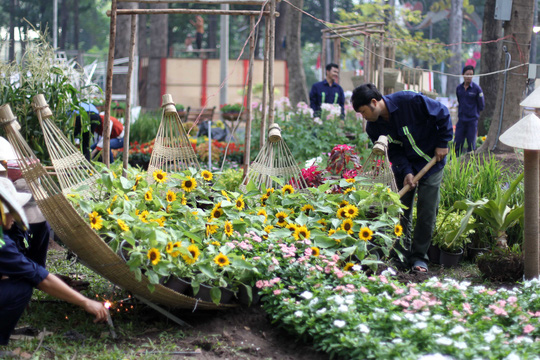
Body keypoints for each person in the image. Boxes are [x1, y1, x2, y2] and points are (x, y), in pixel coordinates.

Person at [351, 83, 453, 272]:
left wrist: (442, 142)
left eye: (363, 112)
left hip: (432, 162)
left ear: (374, 102)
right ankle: (400, 256)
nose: (363, 117)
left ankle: (419, 258)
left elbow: (442, 112)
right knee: (401, 210)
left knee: (426, 211)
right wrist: (406, 172)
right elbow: (394, 152)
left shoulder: (409, 101)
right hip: (406, 168)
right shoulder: (374, 129)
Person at [0, 177, 109, 348]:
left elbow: (34, 268)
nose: (15, 215)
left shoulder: (14, 233)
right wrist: (85, 302)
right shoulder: (3, 243)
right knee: (20, 287)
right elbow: (37, 276)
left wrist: (51, 277)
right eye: (12, 210)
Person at [455, 65, 484, 154]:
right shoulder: (459, 88)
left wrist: (474, 113)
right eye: (467, 74)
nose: (469, 77)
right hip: (461, 120)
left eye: (471, 74)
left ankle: (470, 164)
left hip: (472, 121)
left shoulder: (477, 89)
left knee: (471, 145)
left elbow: (481, 105)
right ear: (463, 75)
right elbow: (459, 100)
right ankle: (454, 162)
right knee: (457, 143)